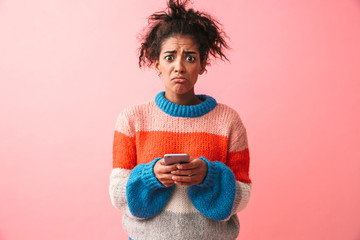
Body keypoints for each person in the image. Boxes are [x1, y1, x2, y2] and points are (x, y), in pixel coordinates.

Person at [109, 0, 252, 239]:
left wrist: (210, 176)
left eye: (189, 57)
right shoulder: (132, 120)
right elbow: (117, 194)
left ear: (203, 64)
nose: (179, 66)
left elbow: (243, 194)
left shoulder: (229, 121)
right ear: (156, 63)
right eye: (169, 57)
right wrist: (150, 177)